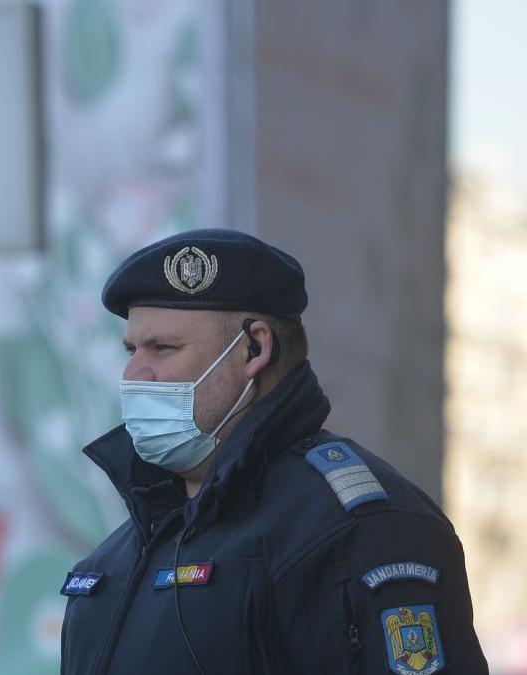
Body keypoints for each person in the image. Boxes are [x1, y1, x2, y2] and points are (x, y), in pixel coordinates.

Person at [59, 229, 487, 674]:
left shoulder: (358, 529)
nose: (134, 373)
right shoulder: (124, 549)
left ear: (254, 348)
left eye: (162, 348)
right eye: (131, 349)